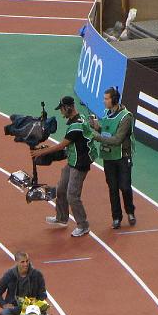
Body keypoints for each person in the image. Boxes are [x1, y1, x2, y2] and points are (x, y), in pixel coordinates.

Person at [31, 96, 97, 237]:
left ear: (68, 107)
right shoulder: (80, 118)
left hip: (80, 164)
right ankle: (61, 218)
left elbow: (62, 145)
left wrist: (41, 151)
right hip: (73, 160)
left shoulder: (75, 127)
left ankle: (83, 225)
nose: (61, 113)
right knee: (61, 189)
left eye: (61, 109)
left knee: (72, 195)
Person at [90, 87, 136, 229]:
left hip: (122, 156)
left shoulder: (126, 117)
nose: (104, 101)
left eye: (106, 99)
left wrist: (96, 136)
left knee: (125, 187)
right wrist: (95, 125)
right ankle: (116, 217)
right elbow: (105, 129)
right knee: (113, 188)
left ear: (114, 100)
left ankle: (130, 211)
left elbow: (117, 140)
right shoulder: (106, 113)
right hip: (108, 156)